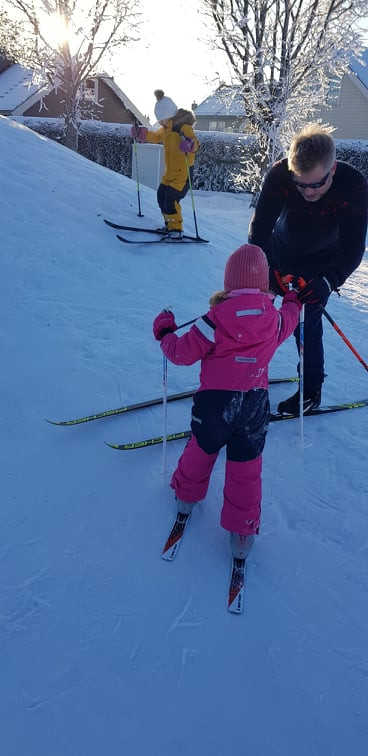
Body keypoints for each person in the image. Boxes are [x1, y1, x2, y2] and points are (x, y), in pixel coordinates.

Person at [152, 244, 301, 560]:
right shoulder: (272, 320)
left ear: (229, 282)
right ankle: (243, 532)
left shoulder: (215, 319)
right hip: (255, 405)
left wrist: (165, 332)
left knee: (202, 450)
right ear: (263, 284)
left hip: (215, 405)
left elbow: (180, 353)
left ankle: (186, 498)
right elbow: (290, 318)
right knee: (246, 468)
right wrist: (292, 298)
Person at [248, 122, 368, 415]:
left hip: (320, 265)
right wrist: (268, 268)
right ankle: (241, 379)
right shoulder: (280, 174)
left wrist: (329, 281)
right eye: (301, 183)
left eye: (317, 184)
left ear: (332, 171)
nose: (309, 191)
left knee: (306, 327)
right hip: (279, 253)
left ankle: (311, 392)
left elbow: (353, 247)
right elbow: (260, 228)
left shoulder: (354, 185)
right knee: (251, 314)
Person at [131, 90, 199, 238]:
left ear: (169, 115)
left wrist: (190, 144)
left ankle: (176, 229)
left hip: (183, 174)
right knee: (161, 195)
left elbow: (195, 142)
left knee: (171, 200)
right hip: (170, 173)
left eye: (161, 119)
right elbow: (155, 136)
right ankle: (169, 224)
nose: (160, 122)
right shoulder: (166, 129)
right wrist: (142, 134)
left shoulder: (183, 127)